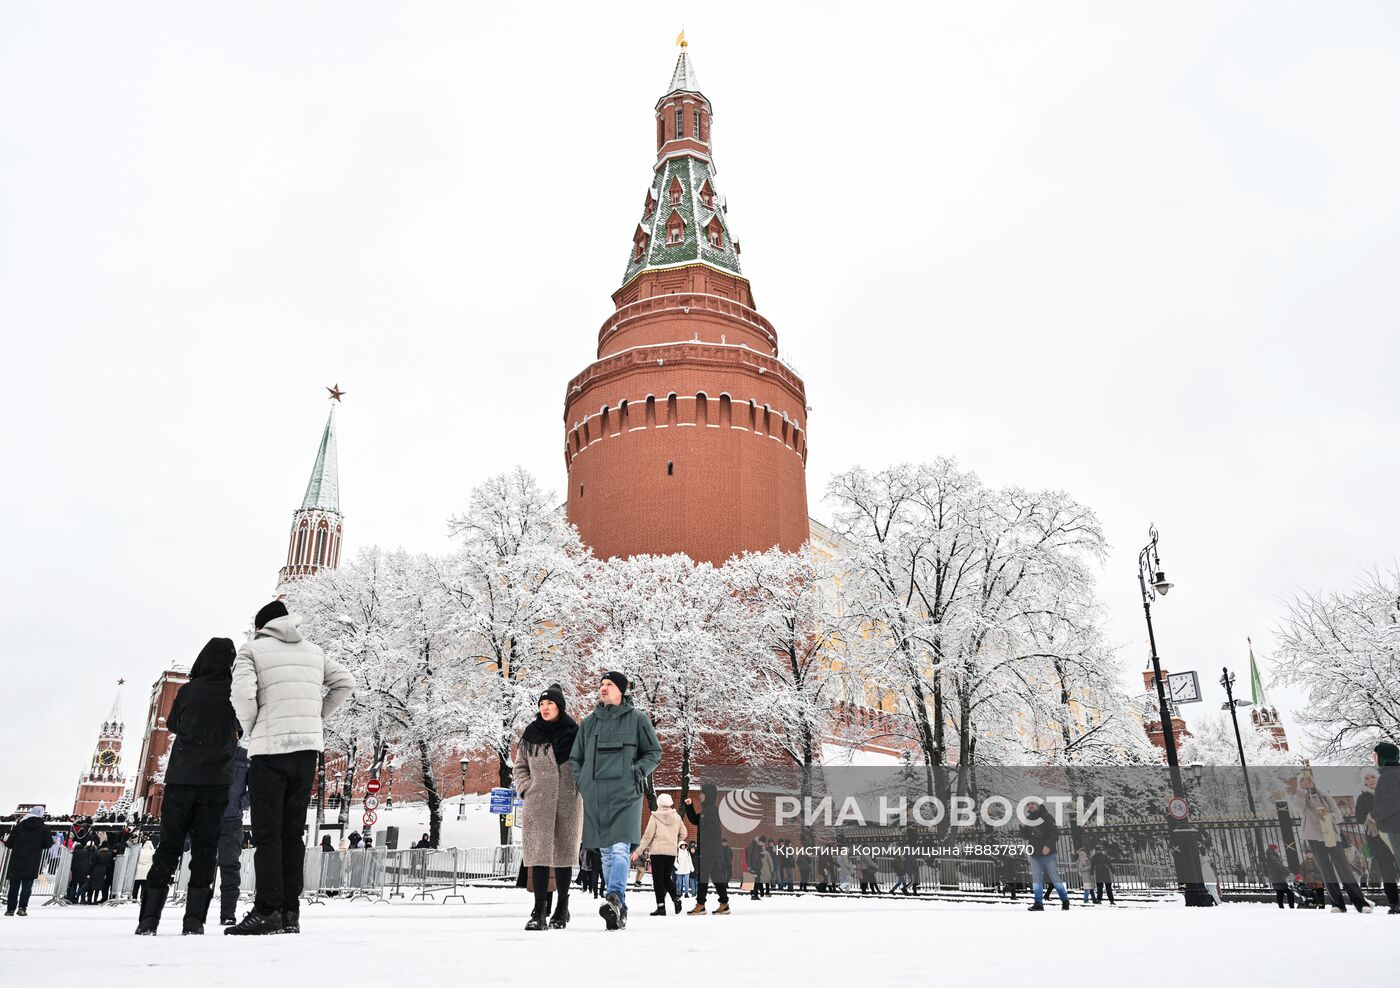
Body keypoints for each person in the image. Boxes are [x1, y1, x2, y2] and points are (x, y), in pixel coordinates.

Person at [227, 600, 354, 936]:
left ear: (261, 627)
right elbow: (346, 683)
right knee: (292, 834)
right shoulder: (314, 651)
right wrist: (316, 718)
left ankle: (267, 909)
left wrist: (252, 728)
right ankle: (290, 912)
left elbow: (241, 694)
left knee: (268, 833)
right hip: (306, 752)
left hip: (270, 751)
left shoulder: (251, 651)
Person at [136, 637, 241, 936]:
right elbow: (241, 726)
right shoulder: (231, 693)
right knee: (206, 851)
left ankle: (148, 920)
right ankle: (194, 920)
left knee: (168, 847)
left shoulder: (188, 690)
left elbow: (172, 725)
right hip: (217, 782)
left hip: (182, 779)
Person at [568, 671, 663, 931]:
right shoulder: (589, 723)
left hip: (625, 794)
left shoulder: (637, 720)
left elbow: (654, 752)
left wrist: (636, 771)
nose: (603, 688)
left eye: (609, 684)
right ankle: (618, 909)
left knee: (621, 848)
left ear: (622, 690)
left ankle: (614, 897)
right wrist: (583, 780)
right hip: (595, 794)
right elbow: (575, 758)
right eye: (601, 684)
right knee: (607, 854)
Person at [514, 683, 583, 931]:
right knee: (539, 854)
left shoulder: (574, 733)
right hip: (538, 800)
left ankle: (562, 907)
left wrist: (578, 788)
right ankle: (539, 910)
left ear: (559, 707)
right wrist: (526, 788)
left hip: (567, 800)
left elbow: (584, 764)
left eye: (550, 704)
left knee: (564, 853)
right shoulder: (531, 734)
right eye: (542, 704)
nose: (545, 708)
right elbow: (519, 766)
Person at [1292, 764, 1371, 913]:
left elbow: (1338, 814)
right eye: (1304, 780)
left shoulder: (1324, 796)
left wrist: (1329, 817)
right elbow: (1297, 805)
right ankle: (1337, 904)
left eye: (1310, 780)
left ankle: (1361, 903)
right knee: (1326, 871)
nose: (1308, 782)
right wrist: (1302, 789)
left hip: (1332, 835)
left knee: (1344, 869)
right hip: (1314, 837)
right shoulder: (1301, 797)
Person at [683, 783, 732, 915]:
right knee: (717, 877)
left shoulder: (712, 811)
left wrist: (704, 849)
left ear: (708, 795)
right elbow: (694, 820)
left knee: (702, 878)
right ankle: (724, 904)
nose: (700, 795)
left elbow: (711, 832)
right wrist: (689, 806)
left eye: (702, 793)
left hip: (708, 851)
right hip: (711, 851)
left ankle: (700, 904)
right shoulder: (707, 810)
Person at [635, 793, 687, 916]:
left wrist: (638, 851)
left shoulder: (655, 817)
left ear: (659, 803)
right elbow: (684, 833)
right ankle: (676, 898)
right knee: (666, 877)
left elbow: (647, 836)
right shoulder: (677, 817)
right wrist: (674, 841)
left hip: (657, 852)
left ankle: (661, 907)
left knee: (658, 880)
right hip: (671, 853)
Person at [1364, 741, 1400, 913]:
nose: (1374, 759)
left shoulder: (1388, 776)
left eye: (1376, 755)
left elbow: (1392, 802)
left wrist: (1374, 814)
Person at [218, 739, 251, 926]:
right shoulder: (209, 750)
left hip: (231, 820)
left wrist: (240, 803)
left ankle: (228, 913)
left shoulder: (245, 755)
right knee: (201, 866)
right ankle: (195, 915)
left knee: (230, 867)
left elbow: (255, 786)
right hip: (207, 818)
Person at [1020, 799, 1069, 911]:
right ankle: (1038, 903)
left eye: (1033, 804)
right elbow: (1026, 836)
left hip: (1048, 854)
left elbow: (1054, 834)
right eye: (1029, 804)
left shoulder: (1047, 817)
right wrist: (1022, 827)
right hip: (1034, 855)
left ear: (1038, 805)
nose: (1031, 806)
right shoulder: (1028, 819)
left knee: (1054, 877)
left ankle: (1065, 900)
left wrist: (1048, 846)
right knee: (1036, 878)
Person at [4, 806, 53, 916]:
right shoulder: (45, 828)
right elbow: (48, 844)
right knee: (27, 886)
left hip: (16, 860)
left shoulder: (19, 826)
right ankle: (22, 907)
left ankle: (10, 909)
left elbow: (9, 844)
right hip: (33, 860)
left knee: (14, 886)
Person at [1263, 843, 1295, 909]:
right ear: (1273, 849)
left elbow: (1266, 871)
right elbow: (1280, 866)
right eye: (1277, 848)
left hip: (1274, 878)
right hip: (1278, 878)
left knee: (1280, 892)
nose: (1278, 850)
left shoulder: (1268, 857)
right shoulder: (1273, 857)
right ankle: (1291, 907)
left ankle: (1281, 907)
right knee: (1290, 892)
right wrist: (1288, 872)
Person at [131, 835, 156, 904]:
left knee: (136, 885)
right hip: (147, 870)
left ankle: (134, 897)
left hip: (138, 870)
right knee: (144, 885)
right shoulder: (153, 852)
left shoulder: (140, 851)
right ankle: (143, 897)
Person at [68, 839, 95, 903]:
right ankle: (82, 899)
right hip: (84, 871)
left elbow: (71, 862)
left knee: (73, 885)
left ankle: (72, 898)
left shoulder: (73, 853)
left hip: (75, 871)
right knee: (82, 885)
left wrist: (72, 869)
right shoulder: (86, 852)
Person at [89, 840, 112, 904]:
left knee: (92, 886)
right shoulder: (109, 854)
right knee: (98, 886)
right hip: (103, 870)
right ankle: (95, 900)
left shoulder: (97, 853)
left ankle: (89, 900)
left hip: (95, 870)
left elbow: (93, 862)